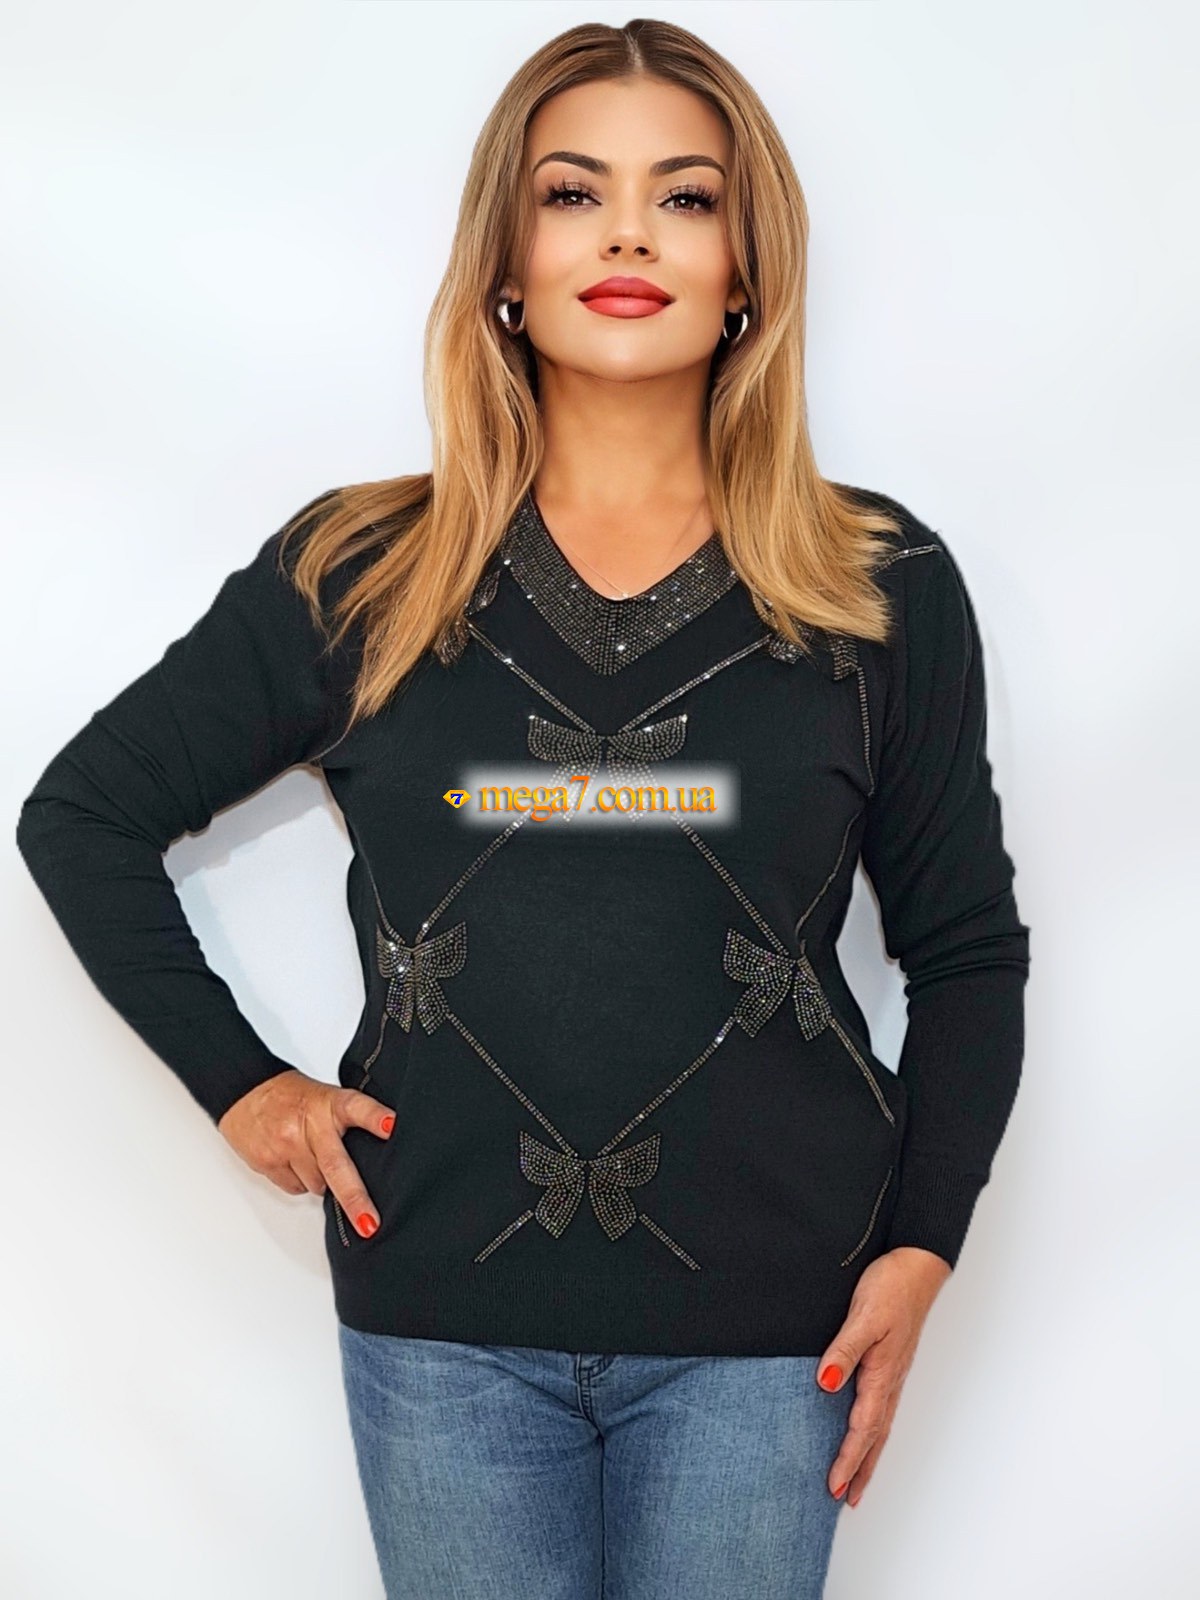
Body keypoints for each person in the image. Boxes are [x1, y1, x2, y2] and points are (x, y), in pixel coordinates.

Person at [14, 17, 1031, 1600]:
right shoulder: (360, 575)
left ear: (747, 270)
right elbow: (81, 814)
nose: (628, 234)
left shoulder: (874, 585)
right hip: (442, 1331)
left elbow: (965, 950)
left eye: (684, 197)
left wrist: (923, 1244)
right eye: (573, 193)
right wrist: (242, 1086)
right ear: (505, 259)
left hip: (777, 1333)